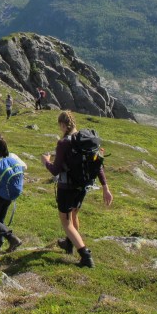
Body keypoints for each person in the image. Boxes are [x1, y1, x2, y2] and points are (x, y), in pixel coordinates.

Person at [40, 110, 113, 268]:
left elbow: (55, 170)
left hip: (67, 188)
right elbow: (98, 165)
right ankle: (69, 244)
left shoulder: (64, 143)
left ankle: (85, 256)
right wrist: (105, 188)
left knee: (66, 223)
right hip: (82, 187)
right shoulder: (84, 141)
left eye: (59, 125)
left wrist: (46, 161)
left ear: (62, 124)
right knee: (73, 215)